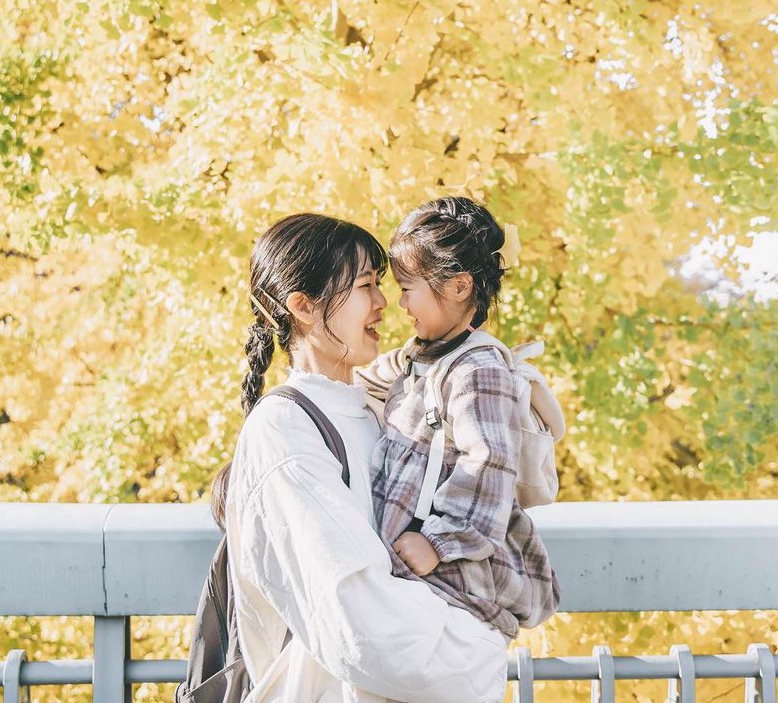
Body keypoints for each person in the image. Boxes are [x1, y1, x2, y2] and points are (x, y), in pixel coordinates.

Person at [222, 213, 508, 702]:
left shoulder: (378, 410)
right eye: (365, 285)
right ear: (304, 307)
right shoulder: (284, 431)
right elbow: (362, 624)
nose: (383, 303)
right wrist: (485, 651)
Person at [358, 197, 561, 640]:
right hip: (415, 572)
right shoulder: (421, 355)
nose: (400, 302)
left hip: (451, 577)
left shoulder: (478, 369)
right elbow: (362, 380)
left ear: (458, 286)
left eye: (408, 287)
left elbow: (486, 466)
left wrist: (439, 542)